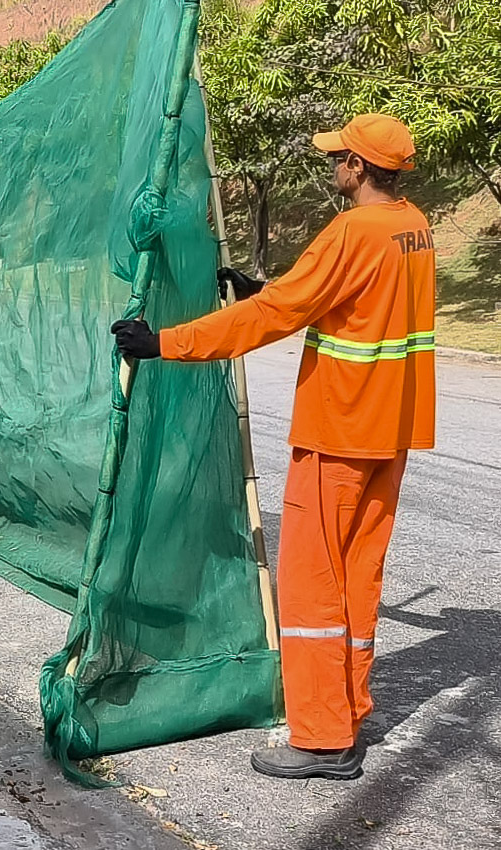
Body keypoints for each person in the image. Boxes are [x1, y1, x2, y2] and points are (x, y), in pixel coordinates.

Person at [112, 114, 435, 780]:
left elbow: (272, 318)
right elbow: (346, 301)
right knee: (358, 579)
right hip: (388, 432)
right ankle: (348, 709)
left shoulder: (351, 231)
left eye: (337, 157)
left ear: (357, 167)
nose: (332, 166)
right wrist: (267, 290)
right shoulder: (413, 227)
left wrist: (164, 343)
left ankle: (320, 738)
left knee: (313, 585)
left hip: (338, 431)